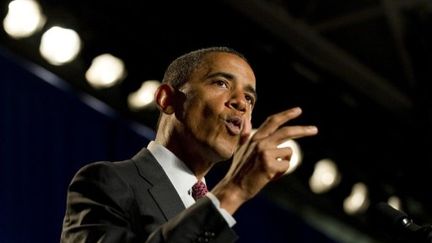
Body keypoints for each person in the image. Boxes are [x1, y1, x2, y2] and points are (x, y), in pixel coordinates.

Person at [60, 46, 318, 242]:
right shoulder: (107, 182)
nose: (241, 103)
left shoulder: (220, 225)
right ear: (167, 99)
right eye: (221, 83)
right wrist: (234, 190)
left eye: (249, 99)